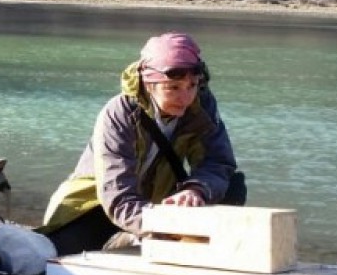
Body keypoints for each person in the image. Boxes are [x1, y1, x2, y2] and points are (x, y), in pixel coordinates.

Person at [39, 31, 246, 256]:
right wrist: (161, 226)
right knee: (59, 253)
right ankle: (129, 239)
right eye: (173, 88)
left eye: (192, 85)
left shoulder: (201, 106)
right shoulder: (119, 113)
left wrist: (195, 190)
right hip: (96, 207)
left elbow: (217, 162)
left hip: (156, 203)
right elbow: (117, 195)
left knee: (233, 186)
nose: (185, 97)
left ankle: (150, 238)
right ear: (149, 84)